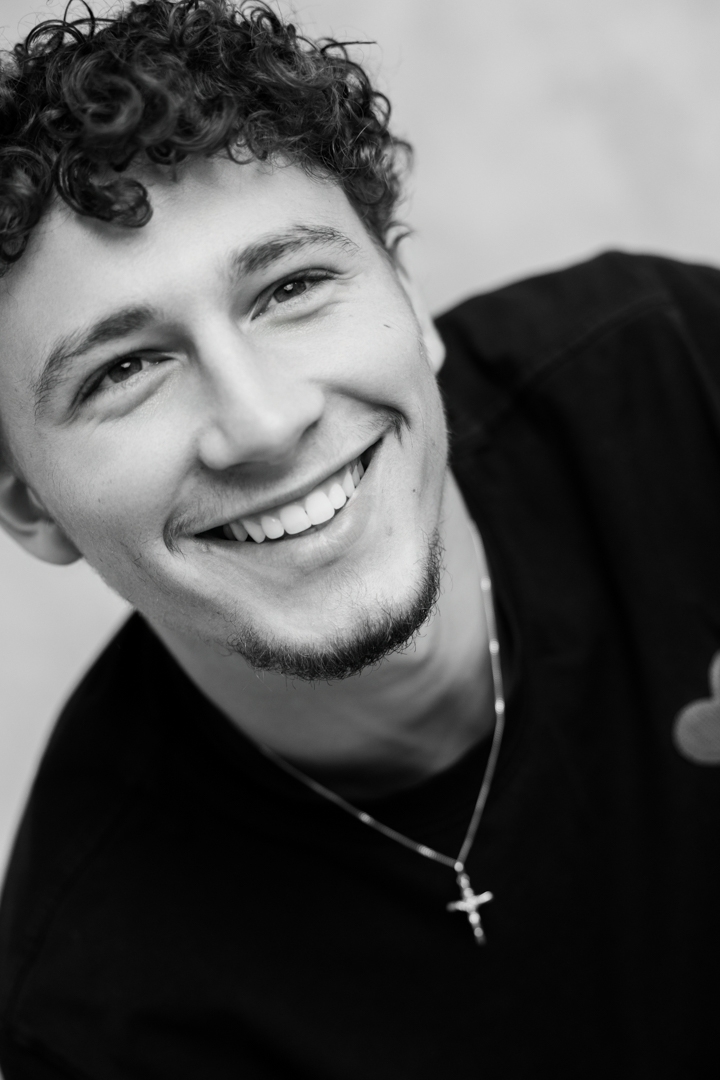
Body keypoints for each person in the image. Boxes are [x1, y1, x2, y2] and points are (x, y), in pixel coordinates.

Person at [0, 0, 718, 1075]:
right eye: (124, 370)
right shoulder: (99, 1020)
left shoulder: (681, 370)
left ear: (410, 301)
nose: (262, 421)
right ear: (30, 507)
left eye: (291, 287)